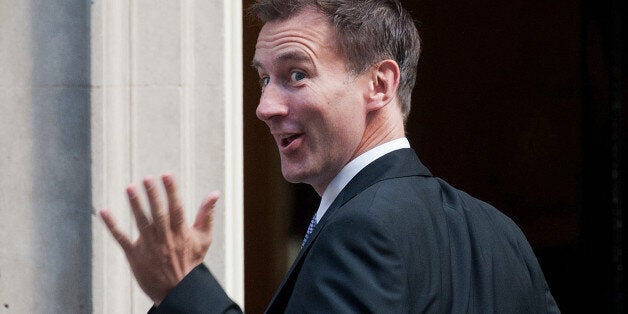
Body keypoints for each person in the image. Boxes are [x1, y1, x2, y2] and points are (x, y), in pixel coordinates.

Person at [100, 0, 560, 313]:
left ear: (379, 84)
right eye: (264, 79)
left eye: (296, 75)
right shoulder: (501, 232)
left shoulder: (361, 229)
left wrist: (182, 289)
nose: (265, 108)